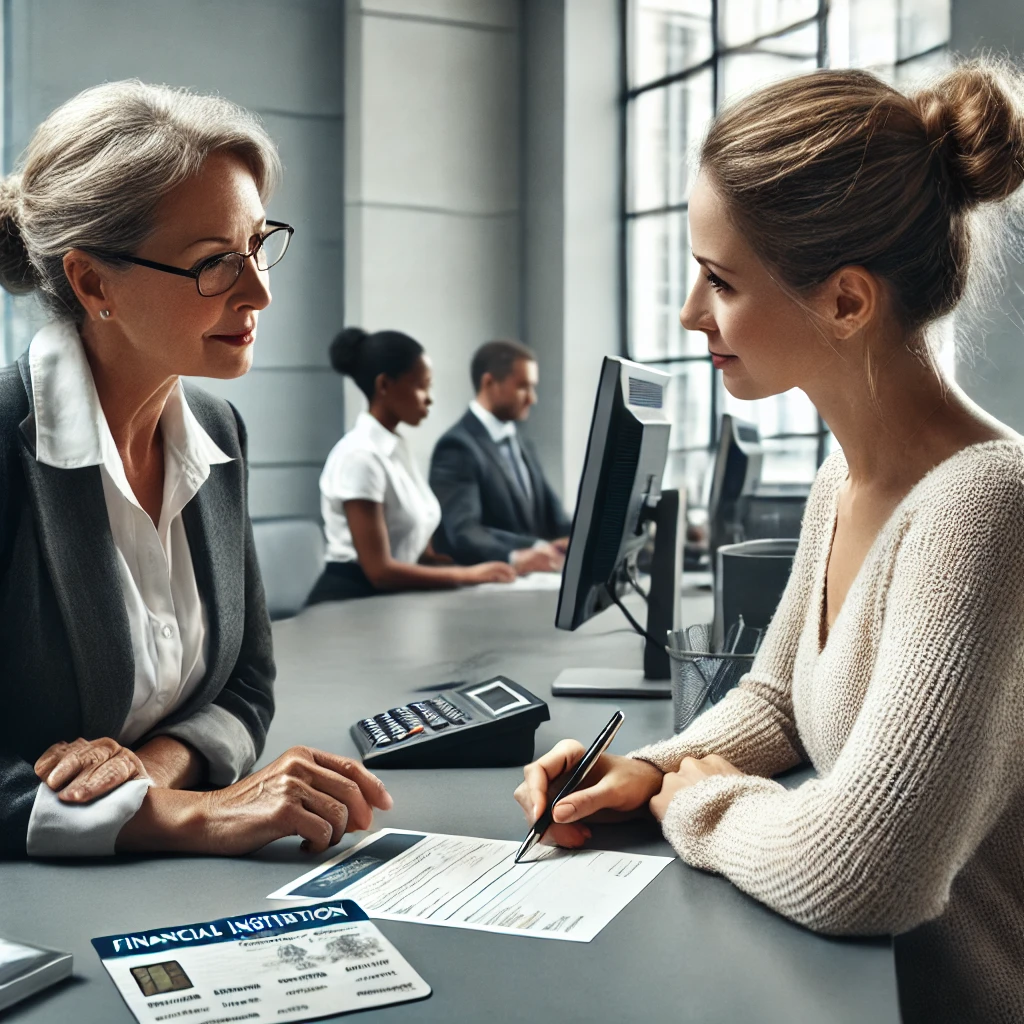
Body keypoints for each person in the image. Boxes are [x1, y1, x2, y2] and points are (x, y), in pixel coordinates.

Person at [515, 61, 1024, 1024]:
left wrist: (695, 807)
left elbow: (864, 874)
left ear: (844, 302)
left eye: (718, 281)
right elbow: (781, 698)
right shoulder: (844, 479)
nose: (689, 315)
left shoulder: (988, 507)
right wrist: (652, 770)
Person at [0, 82, 392, 860]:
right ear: (93, 283)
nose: (260, 290)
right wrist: (191, 817)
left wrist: (148, 773)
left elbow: (246, 683)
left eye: (257, 245)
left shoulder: (217, 433)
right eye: (215, 263)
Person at [307, 327, 516, 603]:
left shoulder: (396, 449)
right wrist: (470, 575)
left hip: (389, 601)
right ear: (384, 385)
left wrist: (482, 571)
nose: (429, 398)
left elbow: (421, 555)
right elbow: (380, 571)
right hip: (350, 601)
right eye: (421, 386)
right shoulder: (360, 457)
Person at [429, 339, 572, 573]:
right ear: (489, 383)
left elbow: (555, 518)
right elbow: (464, 532)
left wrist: (591, 537)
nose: (532, 399)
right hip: (489, 590)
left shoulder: (522, 442)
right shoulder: (456, 446)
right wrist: (529, 549)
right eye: (523, 387)